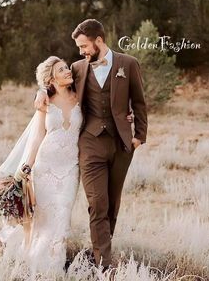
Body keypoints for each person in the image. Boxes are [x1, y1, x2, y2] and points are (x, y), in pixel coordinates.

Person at [35, 19, 148, 271]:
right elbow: (54, 80)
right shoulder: (77, 68)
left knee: (112, 204)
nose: (81, 51)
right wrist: (41, 90)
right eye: (78, 47)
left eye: (84, 45)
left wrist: (139, 136)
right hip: (89, 143)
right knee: (98, 203)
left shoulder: (128, 64)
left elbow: (139, 102)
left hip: (121, 144)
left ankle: (98, 251)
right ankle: (104, 268)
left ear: (99, 40)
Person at [0, 56, 83, 278]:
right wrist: (26, 167)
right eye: (61, 69)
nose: (67, 70)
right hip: (45, 168)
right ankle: (34, 263)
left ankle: (54, 267)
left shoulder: (81, 95)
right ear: (51, 79)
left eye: (66, 67)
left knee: (62, 215)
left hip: (70, 169)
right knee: (41, 219)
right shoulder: (45, 102)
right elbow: (36, 138)